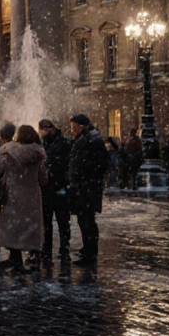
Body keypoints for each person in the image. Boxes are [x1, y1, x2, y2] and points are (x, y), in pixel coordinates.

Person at [0, 125, 48, 273]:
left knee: (12, 228)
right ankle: (34, 257)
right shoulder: (38, 154)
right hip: (32, 195)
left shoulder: (8, 151)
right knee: (30, 226)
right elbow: (43, 179)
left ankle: (16, 261)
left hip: (13, 194)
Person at [68, 114, 110, 266]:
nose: (72, 131)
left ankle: (90, 254)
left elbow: (101, 163)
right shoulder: (87, 139)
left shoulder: (91, 140)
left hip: (87, 188)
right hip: (84, 187)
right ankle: (87, 249)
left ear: (82, 127)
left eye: (73, 127)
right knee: (84, 220)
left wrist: (86, 177)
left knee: (87, 221)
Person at [38, 119, 72, 263]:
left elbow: (63, 164)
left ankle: (61, 249)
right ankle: (50, 249)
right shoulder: (54, 142)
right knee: (51, 221)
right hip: (52, 187)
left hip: (58, 186)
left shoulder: (61, 143)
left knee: (60, 221)